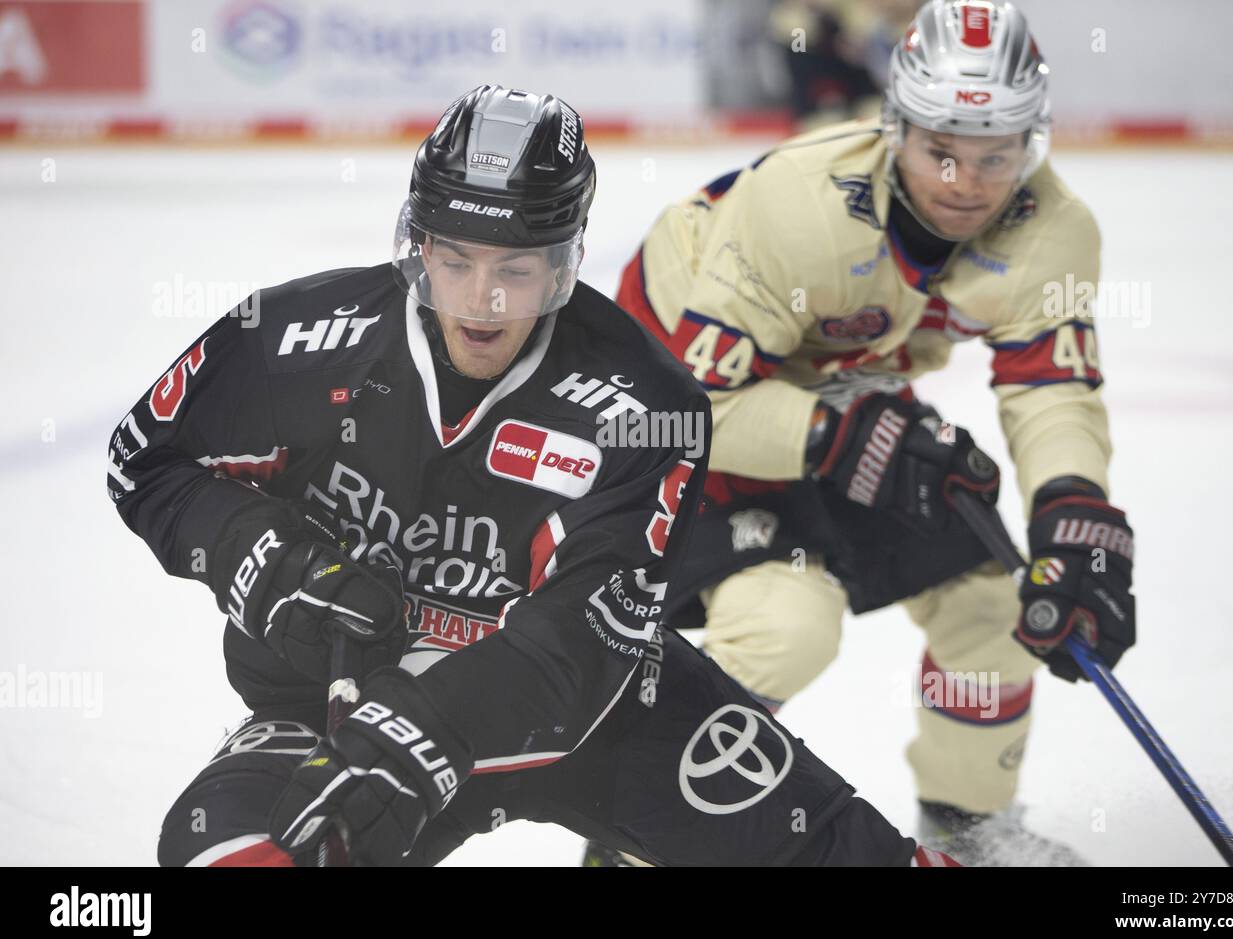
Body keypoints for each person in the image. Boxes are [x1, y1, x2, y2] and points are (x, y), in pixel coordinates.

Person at [108, 84, 955, 867]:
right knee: (219, 852)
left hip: (593, 719)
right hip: (336, 698)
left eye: (515, 270)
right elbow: (144, 461)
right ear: (419, 245)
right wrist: (267, 557)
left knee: (846, 855)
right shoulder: (297, 334)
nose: (482, 302)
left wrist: (427, 729)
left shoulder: (648, 404)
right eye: (457, 260)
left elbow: (582, 646)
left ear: (561, 265)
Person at [609, 0, 1136, 865]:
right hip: (675, 410)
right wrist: (840, 436)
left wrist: (1075, 510)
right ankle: (636, 840)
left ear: (1032, 144)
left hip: (839, 405)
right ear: (895, 129)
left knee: (996, 597)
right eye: (942, 152)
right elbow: (691, 408)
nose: (966, 184)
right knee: (788, 624)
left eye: (996, 155)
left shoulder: (1053, 230)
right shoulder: (798, 202)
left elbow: (1053, 387)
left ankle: (967, 827)